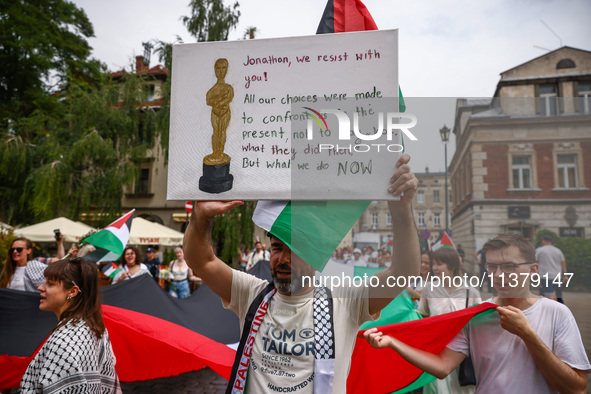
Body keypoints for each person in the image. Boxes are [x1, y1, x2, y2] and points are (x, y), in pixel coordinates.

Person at [183, 154, 420, 393]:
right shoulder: (249, 293)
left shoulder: (347, 302)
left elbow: (403, 272)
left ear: (315, 257)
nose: (283, 259)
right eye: (276, 248)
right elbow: (201, 261)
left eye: (295, 250)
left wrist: (401, 210)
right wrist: (201, 217)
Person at [364, 234, 590, 394]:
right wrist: (394, 343)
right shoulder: (477, 315)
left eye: (509, 266)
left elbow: (577, 387)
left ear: (533, 269)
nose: (498, 275)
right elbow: (442, 367)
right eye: (491, 267)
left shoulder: (557, 313)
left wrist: (527, 334)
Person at [20, 257, 120, 392]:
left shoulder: (63, 344)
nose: (40, 287)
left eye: (50, 283)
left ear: (72, 291)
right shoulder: (93, 326)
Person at [416, 248, 481, 394]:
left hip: (462, 355)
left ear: (452, 266)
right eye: (434, 264)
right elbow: (423, 316)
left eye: (439, 264)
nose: (434, 268)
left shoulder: (470, 292)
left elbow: (479, 323)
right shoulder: (429, 289)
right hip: (436, 353)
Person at [0, 236, 65, 291]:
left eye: (19, 249)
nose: (15, 251)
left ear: (29, 251)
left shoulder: (37, 263)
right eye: (12, 249)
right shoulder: (7, 269)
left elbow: (59, 260)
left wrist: (60, 243)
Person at [204, 58, 234, 166]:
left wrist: (219, 103)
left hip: (225, 112)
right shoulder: (213, 89)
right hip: (215, 113)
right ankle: (215, 153)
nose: (221, 71)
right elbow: (208, 100)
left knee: (222, 131)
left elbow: (229, 97)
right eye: (218, 68)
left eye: (223, 68)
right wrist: (217, 102)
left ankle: (220, 152)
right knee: (216, 131)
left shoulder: (228, 87)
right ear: (215, 70)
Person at [535, 234, 567, 303]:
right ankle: (561, 309)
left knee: (546, 296)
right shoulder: (558, 251)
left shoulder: (539, 250)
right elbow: (563, 263)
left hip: (545, 276)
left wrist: (535, 274)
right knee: (559, 296)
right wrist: (565, 275)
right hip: (557, 276)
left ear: (543, 241)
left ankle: (547, 310)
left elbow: (535, 263)